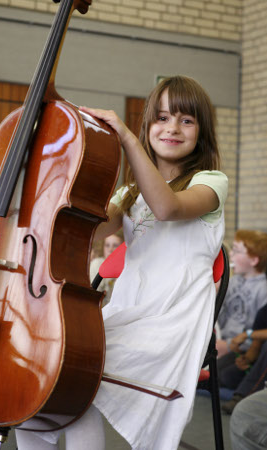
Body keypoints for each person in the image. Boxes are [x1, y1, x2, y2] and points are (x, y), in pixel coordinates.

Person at [14, 74, 228, 450]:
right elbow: (89, 228)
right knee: (41, 373)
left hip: (170, 320)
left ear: (202, 131)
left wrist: (127, 140)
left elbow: (166, 207)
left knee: (80, 376)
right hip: (125, 312)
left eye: (186, 120)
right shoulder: (129, 192)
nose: (172, 128)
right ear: (149, 126)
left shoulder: (211, 182)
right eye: (161, 118)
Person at [216, 229, 267, 358]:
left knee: (223, 376)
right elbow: (220, 312)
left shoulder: (262, 289)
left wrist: (228, 346)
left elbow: (258, 333)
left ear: (254, 260)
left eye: (236, 250)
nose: (231, 254)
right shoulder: (233, 281)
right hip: (221, 340)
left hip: (241, 349)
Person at [220, 302, 267, 414]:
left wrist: (247, 334)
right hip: (261, 359)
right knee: (224, 376)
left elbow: (255, 336)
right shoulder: (264, 311)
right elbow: (256, 344)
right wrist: (246, 359)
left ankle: (242, 396)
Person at [89, 230, 124, 304]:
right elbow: (93, 295)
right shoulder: (97, 264)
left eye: (115, 245)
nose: (110, 249)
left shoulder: (127, 268)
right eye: (107, 245)